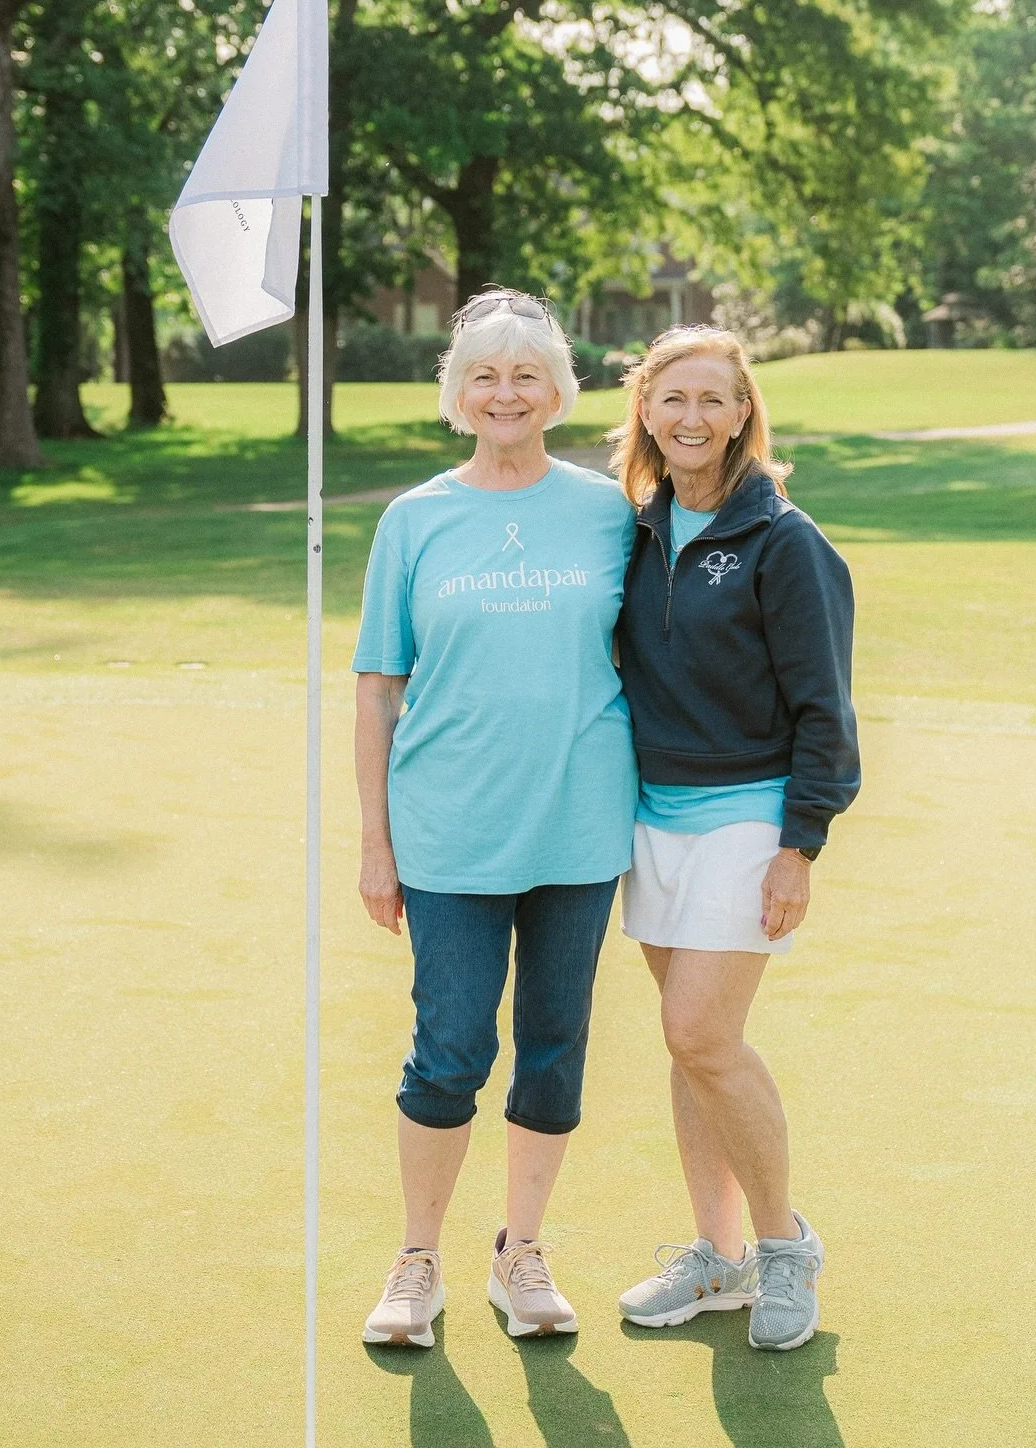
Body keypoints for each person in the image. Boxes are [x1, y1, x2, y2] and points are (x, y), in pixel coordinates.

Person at [353, 290, 638, 1349]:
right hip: (450, 833)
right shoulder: (416, 519)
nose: (506, 393)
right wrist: (375, 846)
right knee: (449, 1050)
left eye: (526, 375)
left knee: (554, 1049)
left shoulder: (612, 509)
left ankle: (520, 1252)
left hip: (579, 826)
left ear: (558, 390)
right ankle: (417, 1259)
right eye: (485, 375)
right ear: (457, 394)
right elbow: (378, 687)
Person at [610, 326, 860, 1352]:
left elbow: (825, 711)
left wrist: (800, 842)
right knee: (689, 1042)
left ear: (744, 414)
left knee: (701, 1034)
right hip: (650, 818)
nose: (692, 418)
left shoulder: (786, 542)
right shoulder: (631, 533)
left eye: (714, 399)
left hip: (750, 817)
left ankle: (784, 1246)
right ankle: (715, 1259)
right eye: (673, 400)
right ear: (646, 414)